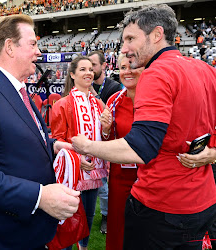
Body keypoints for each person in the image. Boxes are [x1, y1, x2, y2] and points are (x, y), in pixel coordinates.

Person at [72, 4, 216, 249]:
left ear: (157, 35)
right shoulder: (205, 69)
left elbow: (141, 148)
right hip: (204, 202)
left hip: (162, 206)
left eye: (131, 38)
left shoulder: (156, 73)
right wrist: (213, 150)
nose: (125, 48)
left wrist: (86, 145)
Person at [0, 14, 80, 250]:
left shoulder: (17, 90)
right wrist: (39, 196)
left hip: (26, 233)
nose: (39, 52)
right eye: (33, 44)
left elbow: (12, 142)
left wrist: (51, 146)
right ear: (10, 47)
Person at [51, 56, 108, 250]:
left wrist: (107, 128)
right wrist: (78, 159)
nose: (89, 73)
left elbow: (105, 138)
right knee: (68, 216)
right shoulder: (62, 104)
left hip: (93, 171)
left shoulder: (99, 105)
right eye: (83, 69)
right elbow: (57, 141)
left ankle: (83, 247)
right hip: (72, 172)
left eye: (91, 69)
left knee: (89, 215)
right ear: (73, 74)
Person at [100, 53, 144, 250]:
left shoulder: (155, 99)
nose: (128, 72)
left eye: (132, 66)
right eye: (123, 67)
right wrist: (106, 130)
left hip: (149, 175)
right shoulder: (114, 100)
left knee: (147, 230)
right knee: (118, 228)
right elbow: (107, 141)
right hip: (120, 176)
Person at [88, 50, 122, 234]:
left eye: (93, 65)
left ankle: (107, 217)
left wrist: (93, 94)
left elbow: (110, 114)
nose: (90, 69)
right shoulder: (84, 85)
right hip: (91, 140)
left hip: (109, 141)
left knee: (104, 184)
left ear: (104, 66)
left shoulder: (114, 87)